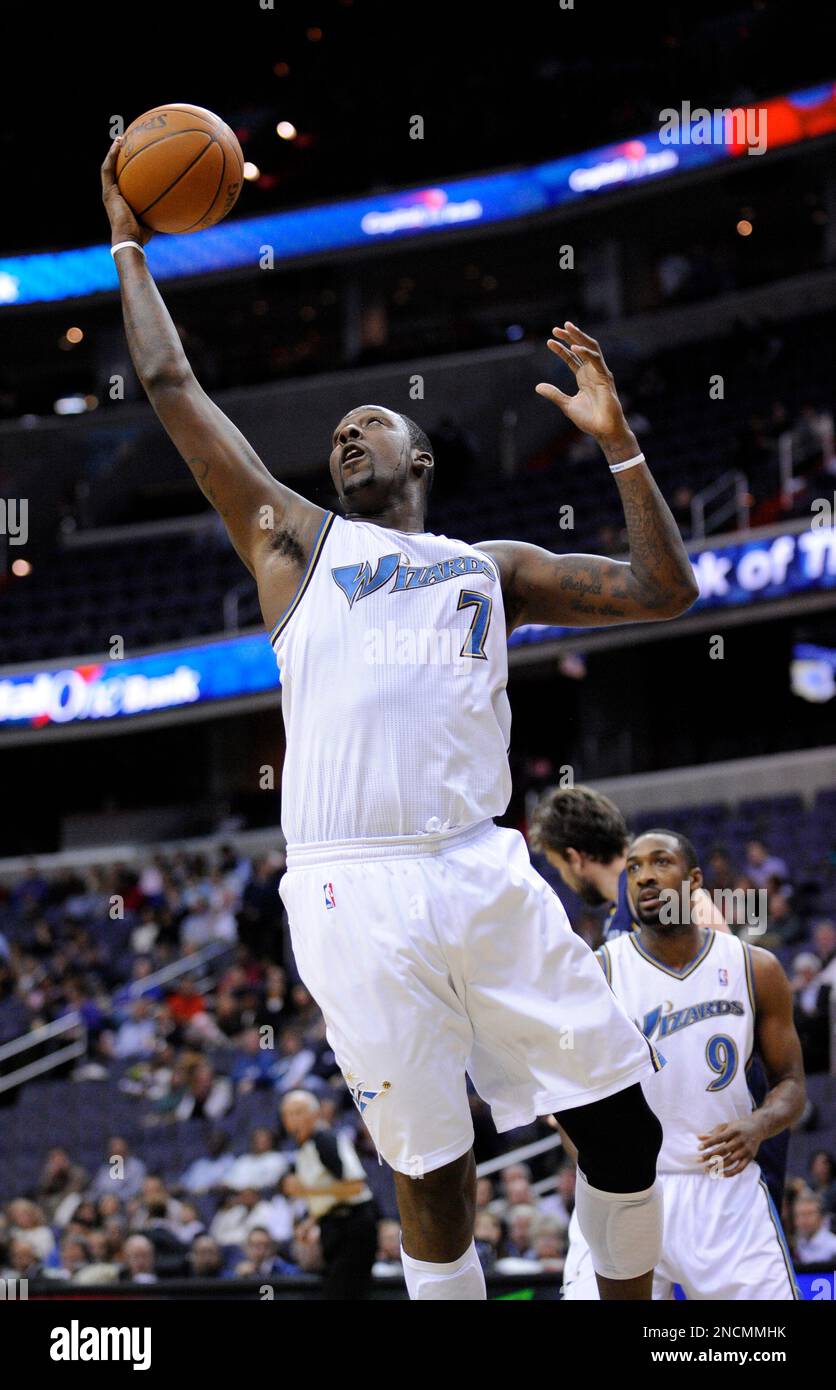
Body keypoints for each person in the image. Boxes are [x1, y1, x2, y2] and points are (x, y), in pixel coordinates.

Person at [102, 142, 700, 1302]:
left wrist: (617, 442)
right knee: (434, 1177)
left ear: (420, 455)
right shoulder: (293, 544)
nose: (346, 435)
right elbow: (175, 390)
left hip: (480, 865)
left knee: (622, 1132)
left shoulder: (493, 566)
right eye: (335, 432)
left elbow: (663, 590)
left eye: (369, 423)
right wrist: (130, 240)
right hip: (346, 884)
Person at [562, 830, 806, 1300]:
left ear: (694, 880)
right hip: (624, 1192)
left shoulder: (756, 969)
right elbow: (569, 1101)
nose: (645, 876)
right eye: (633, 868)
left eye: (660, 862)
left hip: (724, 1190)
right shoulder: (597, 972)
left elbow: (792, 1084)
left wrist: (758, 1124)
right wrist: (601, 1170)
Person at [280, 1090, 377, 1300]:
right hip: (333, 1227)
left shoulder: (325, 1139)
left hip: (353, 1225)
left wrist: (305, 1191)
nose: (293, 1119)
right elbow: (330, 1195)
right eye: (288, 1114)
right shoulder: (304, 1147)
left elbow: (356, 1186)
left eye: (299, 1112)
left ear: (316, 1114)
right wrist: (310, 1221)